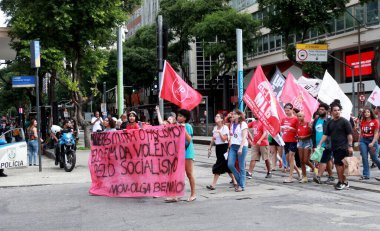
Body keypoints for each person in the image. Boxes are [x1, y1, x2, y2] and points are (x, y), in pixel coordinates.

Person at [318, 99, 353, 190]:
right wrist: (320, 144)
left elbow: (349, 135)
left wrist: (350, 146)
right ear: (331, 112)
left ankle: (341, 182)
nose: (337, 112)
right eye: (335, 110)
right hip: (334, 147)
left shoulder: (345, 121)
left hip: (343, 147)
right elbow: (326, 134)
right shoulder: (330, 123)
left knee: (339, 165)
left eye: (338, 110)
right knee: (339, 165)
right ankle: (344, 182)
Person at [206, 113, 237, 190]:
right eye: (215, 116)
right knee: (226, 166)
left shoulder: (225, 128)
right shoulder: (215, 127)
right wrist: (210, 147)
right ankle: (235, 182)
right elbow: (213, 138)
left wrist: (219, 132)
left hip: (224, 148)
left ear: (222, 119)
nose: (216, 117)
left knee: (218, 165)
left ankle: (213, 185)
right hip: (218, 148)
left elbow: (224, 139)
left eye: (218, 116)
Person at [312, 103, 335, 184]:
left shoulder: (329, 120)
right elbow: (314, 133)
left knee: (323, 160)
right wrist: (314, 145)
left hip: (327, 144)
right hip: (318, 145)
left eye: (322, 110)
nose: (320, 111)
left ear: (326, 111)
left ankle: (318, 176)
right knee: (327, 160)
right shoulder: (316, 120)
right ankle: (331, 176)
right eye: (319, 109)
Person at [177, 109, 196, 202]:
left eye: (180, 116)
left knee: (189, 173)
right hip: (179, 153)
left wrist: (183, 129)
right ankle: (177, 193)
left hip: (187, 153)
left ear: (185, 118)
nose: (178, 117)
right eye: (178, 115)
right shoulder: (176, 126)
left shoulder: (188, 126)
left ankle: (193, 194)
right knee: (178, 174)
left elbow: (189, 139)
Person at [227, 109, 248, 192]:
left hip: (241, 146)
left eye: (235, 114)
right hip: (233, 146)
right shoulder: (232, 124)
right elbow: (232, 136)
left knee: (241, 166)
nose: (233, 115)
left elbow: (244, 137)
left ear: (239, 115)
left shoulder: (243, 124)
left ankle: (241, 185)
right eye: (233, 114)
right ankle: (240, 181)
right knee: (230, 164)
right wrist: (229, 147)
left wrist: (241, 147)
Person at [246, 115, 272, 179]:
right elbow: (245, 127)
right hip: (255, 143)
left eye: (256, 113)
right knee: (253, 158)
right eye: (254, 113)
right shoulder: (254, 122)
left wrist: (260, 140)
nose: (255, 115)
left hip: (263, 143)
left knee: (266, 159)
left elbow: (265, 133)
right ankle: (250, 173)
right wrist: (250, 138)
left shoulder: (263, 122)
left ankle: (269, 171)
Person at [281, 103, 301, 183]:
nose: (287, 112)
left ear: (292, 110)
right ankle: (299, 172)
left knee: (291, 157)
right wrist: (282, 129)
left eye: (288, 110)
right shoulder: (283, 119)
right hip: (285, 140)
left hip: (293, 140)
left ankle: (290, 177)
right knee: (288, 159)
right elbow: (282, 129)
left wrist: (291, 128)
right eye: (285, 110)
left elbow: (298, 130)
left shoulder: (296, 119)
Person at [358, 107, 380, 180]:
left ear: (371, 113)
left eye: (368, 112)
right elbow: (361, 132)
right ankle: (366, 175)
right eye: (365, 112)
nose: (366, 113)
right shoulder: (362, 121)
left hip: (372, 140)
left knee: (375, 158)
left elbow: (376, 133)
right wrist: (359, 141)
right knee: (364, 157)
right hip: (363, 140)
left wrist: (373, 142)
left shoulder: (375, 121)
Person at [296, 111, 316, 183]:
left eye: (300, 116)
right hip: (300, 142)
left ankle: (314, 169)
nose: (299, 117)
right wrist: (297, 137)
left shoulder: (308, 123)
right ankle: (304, 177)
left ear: (304, 116)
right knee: (301, 161)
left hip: (307, 142)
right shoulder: (298, 124)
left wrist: (304, 136)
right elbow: (297, 133)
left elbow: (311, 134)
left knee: (305, 160)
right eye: (298, 116)